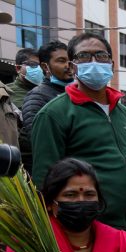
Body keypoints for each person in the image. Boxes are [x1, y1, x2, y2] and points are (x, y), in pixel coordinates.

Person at [31, 33, 126, 237]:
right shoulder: (54, 114)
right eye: (84, 56)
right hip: (89, 233)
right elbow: (44, 182)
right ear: (72, 67)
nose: (94, 62)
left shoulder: (125, 115)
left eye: (101, 56)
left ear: (112, 64)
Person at [20, 41, 74, 172]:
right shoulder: (36, 98)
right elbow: (40, 143)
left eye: (71, 61)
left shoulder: (76, 94)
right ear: (45, 67)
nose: (68, 66)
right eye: (61, 61)